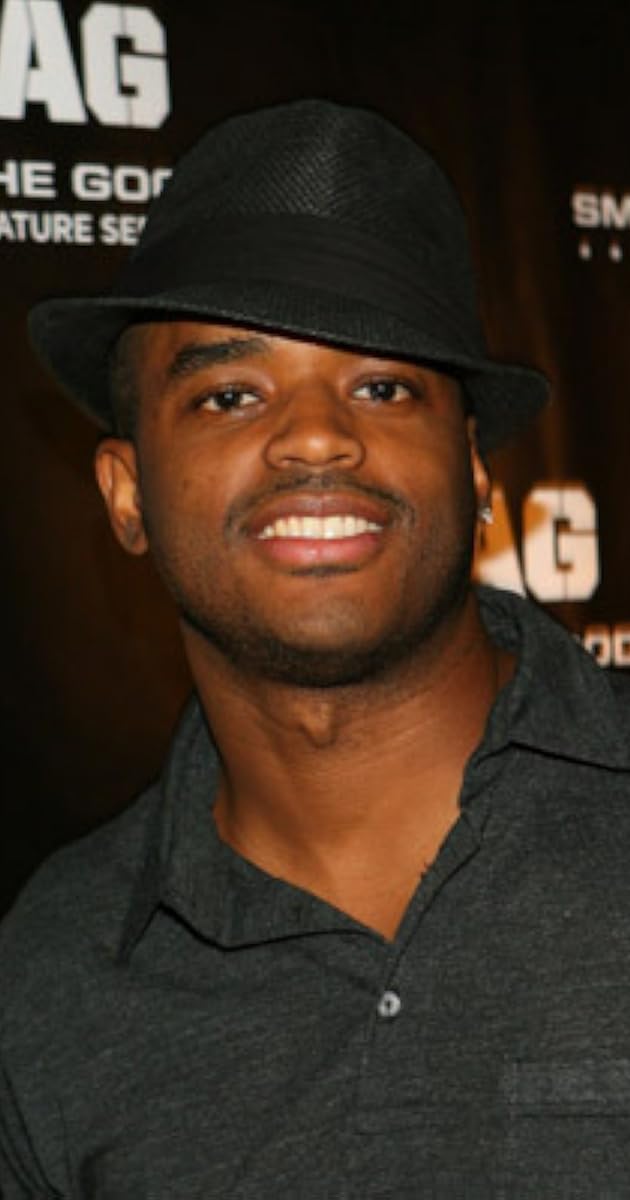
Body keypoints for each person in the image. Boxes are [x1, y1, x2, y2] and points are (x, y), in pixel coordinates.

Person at [2, 99, 630, 1199]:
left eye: (383, 386)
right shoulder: (48, 979)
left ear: (474, 473)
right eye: (229, 394)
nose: (316, 436)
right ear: (126, 492)